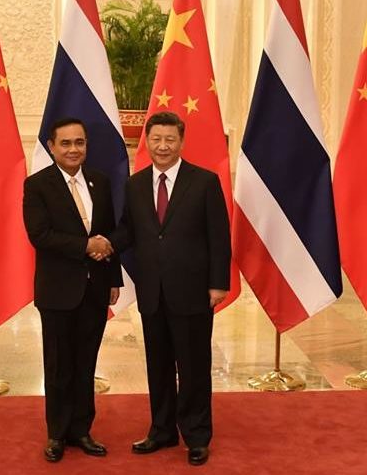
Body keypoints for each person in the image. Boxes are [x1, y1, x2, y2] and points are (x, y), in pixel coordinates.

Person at [107, 111, 231, 466]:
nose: (163, 146)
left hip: (193, 291)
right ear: (147, 141)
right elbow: (128, 231)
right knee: (158, 364)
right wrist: (103, 243)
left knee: (193, 366)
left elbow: (219, 237)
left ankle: (196, 435)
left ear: (181, 142)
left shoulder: (204, 182)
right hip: (153, 292)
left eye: (170, 140)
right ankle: (161, 430)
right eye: (156, 139)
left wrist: (218, 283)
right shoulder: (135, 184)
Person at [22, 118, 121, 463]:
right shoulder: (37, 185)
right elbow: (40, 235)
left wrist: (114, 280)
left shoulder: (101, 181)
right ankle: (57, 433)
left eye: (79, 142)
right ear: (51, 147)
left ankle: (82, 429)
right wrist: (85, 246)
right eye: (65, 143)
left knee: (85, 362)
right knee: (59, 364)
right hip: (58, 292)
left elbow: (110, 231)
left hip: (95, 289)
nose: (73, 149)